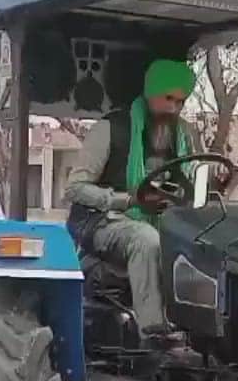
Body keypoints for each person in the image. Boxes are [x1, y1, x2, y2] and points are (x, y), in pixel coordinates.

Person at [65, 58, 200, 336]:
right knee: (146, 239)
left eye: (181, 102)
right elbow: (75, 188)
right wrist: (129, 200)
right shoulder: (110, 128)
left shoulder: (185, 135)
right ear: (151, 93)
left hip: (164, 220)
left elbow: (192, 179)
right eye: (168, 98)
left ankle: (199, 331)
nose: (174, 108)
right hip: (105, 222)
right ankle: (153, 331)